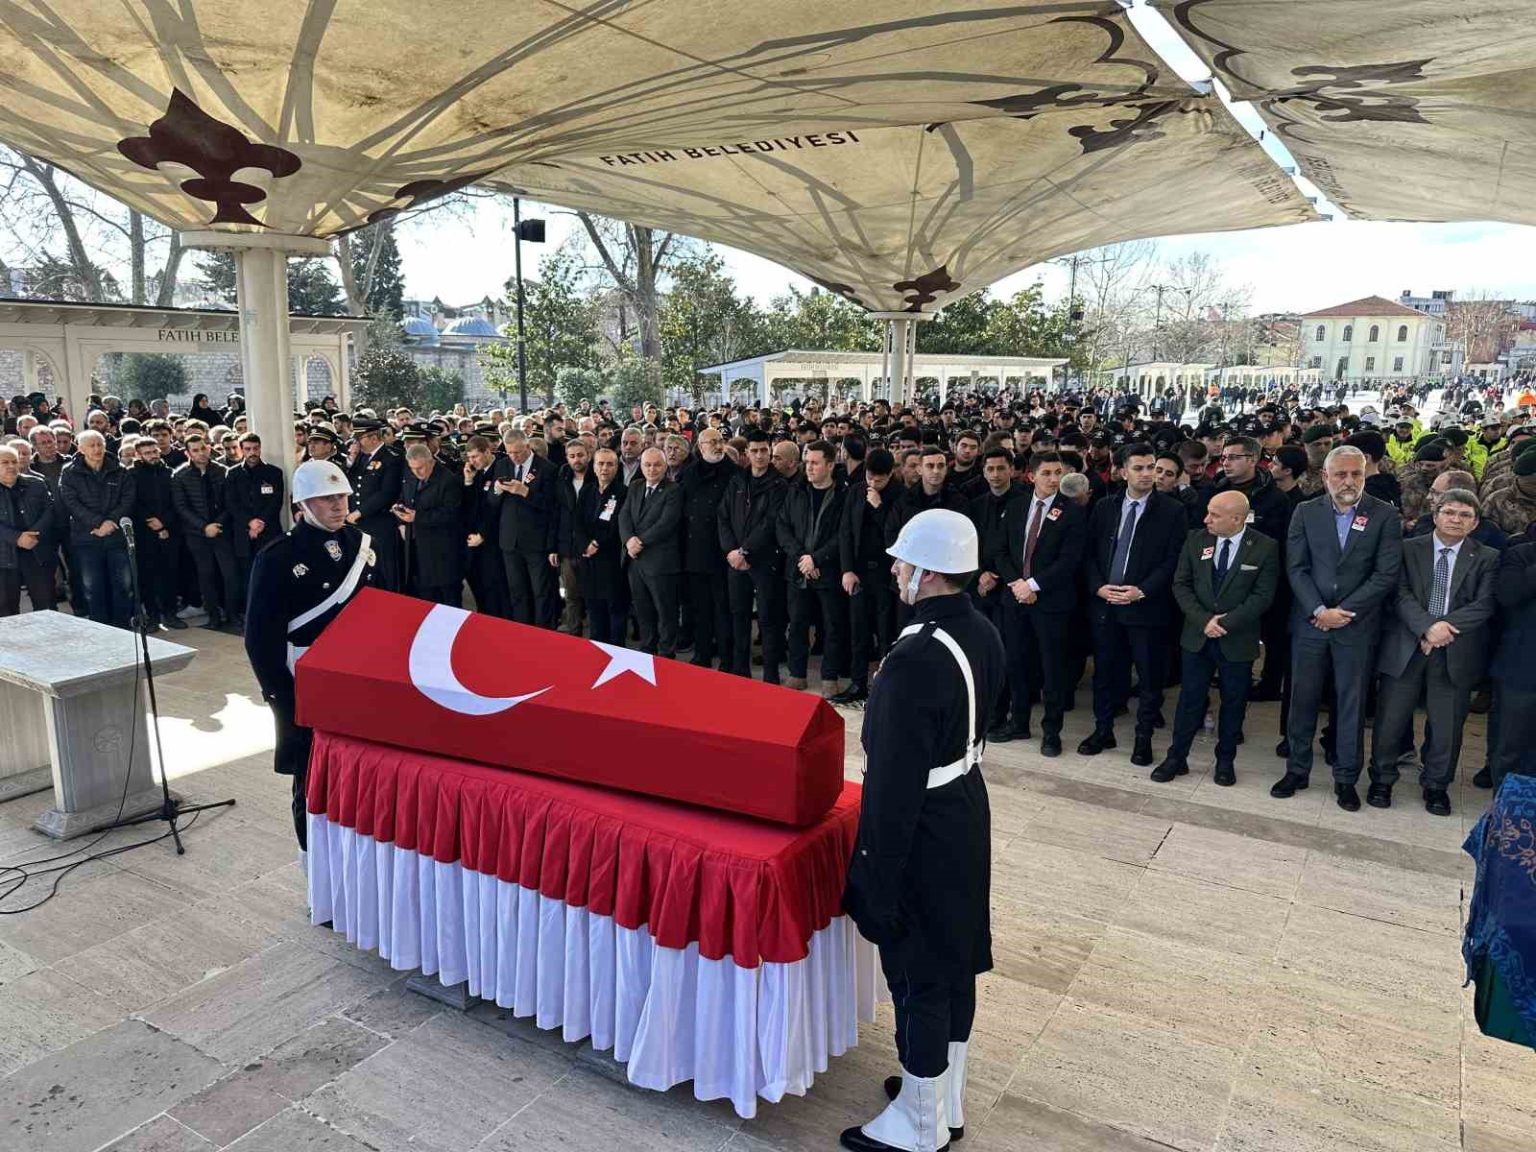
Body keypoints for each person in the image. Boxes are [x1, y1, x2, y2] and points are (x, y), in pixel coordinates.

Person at [841, 509, 1004, 1152]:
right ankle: (940, 1093)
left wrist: (873, 877)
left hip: (924, 824)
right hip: (964, 805)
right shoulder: (981, 630)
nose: (894, 569)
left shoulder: (913, 658)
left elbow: (892, 784)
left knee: (917, 971)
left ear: (929, 572)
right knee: (954, 956)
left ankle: (919, 1123)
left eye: (903, 561)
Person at [245, 459, 377, 852]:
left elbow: (381, 612)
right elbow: (260, 638)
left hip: (358, 677)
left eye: (341, 496)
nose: (337, 505)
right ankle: (316, 863)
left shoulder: (362, 544)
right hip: (304, 680)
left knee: (360, 773)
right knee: (312, 779)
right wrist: (283, 698)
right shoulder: (278, 555)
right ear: (303, 504)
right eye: (325, 498)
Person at [1274, 445, 1403, 811]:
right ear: (1325, 476)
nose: (1348, 481)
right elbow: (1296, 567)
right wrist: (1319, 609)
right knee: (1301, 699)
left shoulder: (1384, 515)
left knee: (1351, 703)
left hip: (1355, 625)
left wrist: (1343, 611)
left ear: (1365, 475)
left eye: (1356, 474)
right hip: (1311, 622)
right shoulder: (1305, 511)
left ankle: (1346, 778)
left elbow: (1385, 574)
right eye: (1340, 474)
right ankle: (1297, 770)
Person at [1366, 489, 1498, 815]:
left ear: (1475, 523)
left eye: (1465, 515)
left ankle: (1437, 785)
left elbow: (1484, 604)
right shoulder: (1408, 548)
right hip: (1407, 647)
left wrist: (1441, 630)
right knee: (1391, 720)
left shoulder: (1487, 557)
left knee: (1447, 726)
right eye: (1449, 512)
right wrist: (1426, 627)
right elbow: (1399, 594)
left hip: (1455, 651)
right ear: (1435, 515)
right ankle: (1382, 779)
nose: (1456, 520)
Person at [1155, 491, 1279, 785]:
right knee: (1190, 699)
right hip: (1197, 636)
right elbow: (1181, 584)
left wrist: (1225, 622)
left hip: (1237, 639)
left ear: (1237, 519)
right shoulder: (1196, 540)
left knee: (1234, 702)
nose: (1206, 519)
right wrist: (1204, 620)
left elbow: (1263, 595)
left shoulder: (1264, 546)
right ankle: (1177, 757)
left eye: (1215, 515)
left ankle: (1225, 761)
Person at [1079, 443, 1187, 766]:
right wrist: (1098, 587)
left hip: (1146, 607)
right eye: (1138, 468)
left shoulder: (1172, 510)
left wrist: (1142, 590)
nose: (1147, 474)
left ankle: (1143, 738)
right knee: (1105, 674)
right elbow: (1089, 553)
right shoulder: (1105, 506)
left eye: (1151, 467)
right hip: (1107, 605)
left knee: (1149, 677)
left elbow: (1173, 560)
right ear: (1123, 471)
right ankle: (1103, 730)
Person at [990, 450, 1087, 756]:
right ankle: (1018, 722)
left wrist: (1032, 585)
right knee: (1016, 663)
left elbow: (1069, 561)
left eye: (1058, 473)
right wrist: (1017, 584)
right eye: (1046, 473)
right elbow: (1000, 551)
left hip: (1051, 603)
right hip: (1015, 600)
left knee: (1052, 668)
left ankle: (1052, 732)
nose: (1054, 479)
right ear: (1031, 476)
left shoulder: (1072, 512)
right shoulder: (1016, 505)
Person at [777, 439, 848, 695]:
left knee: (832, 626)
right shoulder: (796, 491)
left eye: (815, 463)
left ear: (830, 465)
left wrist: (817, 559)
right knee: (797, 624)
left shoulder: (843, 496)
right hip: (798, 570)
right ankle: (797, 674)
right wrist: (803, 558)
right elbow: (782, 527)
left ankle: (829, 677)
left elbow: (843, 534)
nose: (809, 467)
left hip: (829, 571)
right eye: (807, 462)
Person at [720, 428, 787, 684]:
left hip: (764, 561)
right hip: (735, 561)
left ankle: (771, 675)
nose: (759, 456)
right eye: (755, 451)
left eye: (764, 451)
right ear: (746, 453)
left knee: (768, 619)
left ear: (770, 452)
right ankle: (740, 671)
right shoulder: (737, 481)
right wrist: (731, 551)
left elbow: (771, 522)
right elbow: (723, 516)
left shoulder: (779, 484)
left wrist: (745, 550)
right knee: (739, 617)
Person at [836, 447, 901, 705]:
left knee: (886, 632)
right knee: (858, 630)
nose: (872, 483)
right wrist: (847, 569)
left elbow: (896, 535)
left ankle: (884, 685)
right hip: (859, 571)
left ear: (890, 474)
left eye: (879, 480)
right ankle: (857, 682)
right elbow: (845, 531)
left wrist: (879, 507)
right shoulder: (856, 490)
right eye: (869, 477)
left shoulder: (899, 495)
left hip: (886, 574)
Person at [58, 428, 137, 627]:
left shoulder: (119, 470)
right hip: (87, 538)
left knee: (123, 585)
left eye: (100, 444)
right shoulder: (69, 472)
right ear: (81, 449)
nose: (97, 449)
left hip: (116, 537)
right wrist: (97, 523)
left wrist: (110, 522)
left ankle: (122, 626)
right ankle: (100, 626)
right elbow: (71, 502)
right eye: (91, 445)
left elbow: (127, 499)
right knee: (93, 587)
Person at [677, 427, 736, 669]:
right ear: (700, 447)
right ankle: (702, 653)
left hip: (723, 551)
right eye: (711, 442)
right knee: (699, 608)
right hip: (695, 551)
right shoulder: (688, 473)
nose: (718, 445)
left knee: (723, 608)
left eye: (720, 440)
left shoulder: (734, 473)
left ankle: (726, 657)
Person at [172, 433, 243, 630]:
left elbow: (230, 503)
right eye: (195, 450)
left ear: (209, 447)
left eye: (203, 448)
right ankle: (213, 617)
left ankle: (233, 615)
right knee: (206, 576)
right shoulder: (180, 475)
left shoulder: (223, 471)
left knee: (230, 575)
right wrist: (204, 527)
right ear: (188, 453)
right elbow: (181, 507)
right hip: (197, 534)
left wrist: (217, 524)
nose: (201, 453)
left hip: (222, 531)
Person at [491, 428, 559, 626]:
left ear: (527, 446)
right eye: (510, 452)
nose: (514, 457)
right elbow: (491, 503)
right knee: (517, 591)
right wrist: (496, 491)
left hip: (537, 541)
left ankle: (543, 631)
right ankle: (522, 630)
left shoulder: (547, 469)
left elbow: (552, 506)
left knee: (541, 592)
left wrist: (526, 492)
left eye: (518, 452)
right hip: (510, 540)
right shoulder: (502, 465)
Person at [619, 446, 682, 657]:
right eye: (647, 465)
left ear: (665, 466)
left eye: (657, 465)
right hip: (635, 561)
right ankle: (647, 648)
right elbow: (624, 516)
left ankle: (666, 653)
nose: (652, 469)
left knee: (665, 611)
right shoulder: (635, 486)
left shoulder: (673, 490)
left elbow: (667, 523)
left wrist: (640, 541)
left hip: (660, 563)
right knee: (642, 609)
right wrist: (628, 540)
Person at [1486, 540, 1536, 787]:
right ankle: (1506, 804)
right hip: (1522, 668)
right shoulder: (1520, 554)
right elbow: (1508, 596)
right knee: (1510, 746)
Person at [395, 442, 464, 606]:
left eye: (420, 468)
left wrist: (417, 517)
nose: (416, 472)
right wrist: (400, 516)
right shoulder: (411, 477)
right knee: (425, 598)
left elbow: (451, 513)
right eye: (412, 468)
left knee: (448, 599)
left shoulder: (448, 480)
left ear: (431, 461)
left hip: (442, 551)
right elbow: (404, 498)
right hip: (417, 548)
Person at [573, 446, 629, 644]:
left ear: (616, 467)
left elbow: (617, 525)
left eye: (610, 464)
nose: (605, 468)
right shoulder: (587, 490)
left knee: (615, 608)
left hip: (610, 560)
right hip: (587, 560)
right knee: (594, 608)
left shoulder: (623, 492)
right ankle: (597, 647)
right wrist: (584, 544)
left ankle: (617, 649)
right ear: (594, 466)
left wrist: (597, 543)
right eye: (601, 464)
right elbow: (577, 521)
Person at [347, 417, 404, 593]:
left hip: (380, 523)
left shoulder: (391, 458)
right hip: (360, 525)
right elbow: (352, 484)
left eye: (360, 438)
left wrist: (360, 512)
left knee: (385, 570)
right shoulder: (361, 458)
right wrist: (352, 459)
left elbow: (387, 493)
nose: (357, 443)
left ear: (373, 437)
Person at [0, 443, 56, 615]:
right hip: (4, 556)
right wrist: (16, 537)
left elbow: (50, 510)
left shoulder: (36, 484)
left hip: (36, 551)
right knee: (6, 610)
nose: (11, 466)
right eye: (5, 462)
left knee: (46, 606)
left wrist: (34, 534)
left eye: (14, 461)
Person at [225, 432, 285, 585]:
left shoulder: (274, 473)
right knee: (247, 577)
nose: (252, 452)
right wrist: (249, 522)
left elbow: (276, 501)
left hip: (269, 530)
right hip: (243, 534)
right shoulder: (233, 474)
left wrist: (260, 522)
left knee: (271, 574)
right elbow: (231, 503)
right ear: (241, 450)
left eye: (256, 448)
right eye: (248, 449)